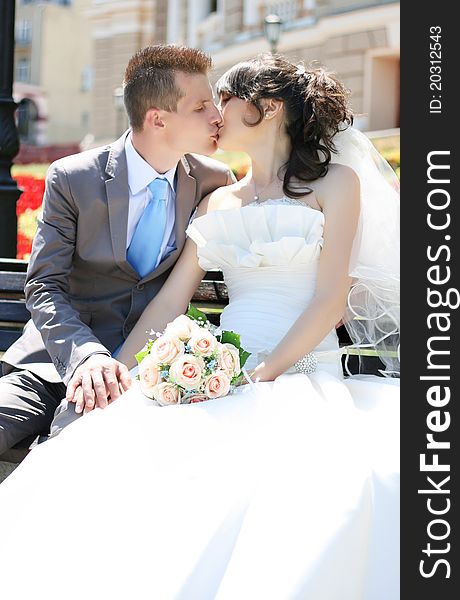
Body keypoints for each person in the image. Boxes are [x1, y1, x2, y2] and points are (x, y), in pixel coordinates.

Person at [0, 55, 399, 600]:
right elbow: (168, 302)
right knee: (107, 451)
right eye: (204, 104)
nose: (215, 112)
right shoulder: (218, 196)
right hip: (209, 371)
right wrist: (119, 370)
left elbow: (332, 301)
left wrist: (262, 374)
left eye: (223, 99)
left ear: (270, 108)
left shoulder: (336, 184)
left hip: (295, 368)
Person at [0, 44, 234, 457]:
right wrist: (86, 356)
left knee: (75, 448)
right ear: (157, 118)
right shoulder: (75, 178)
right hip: (50, 364)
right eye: (201, 106)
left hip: (143, 373)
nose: (218, 116)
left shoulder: (213, 181)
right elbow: (44, 285)